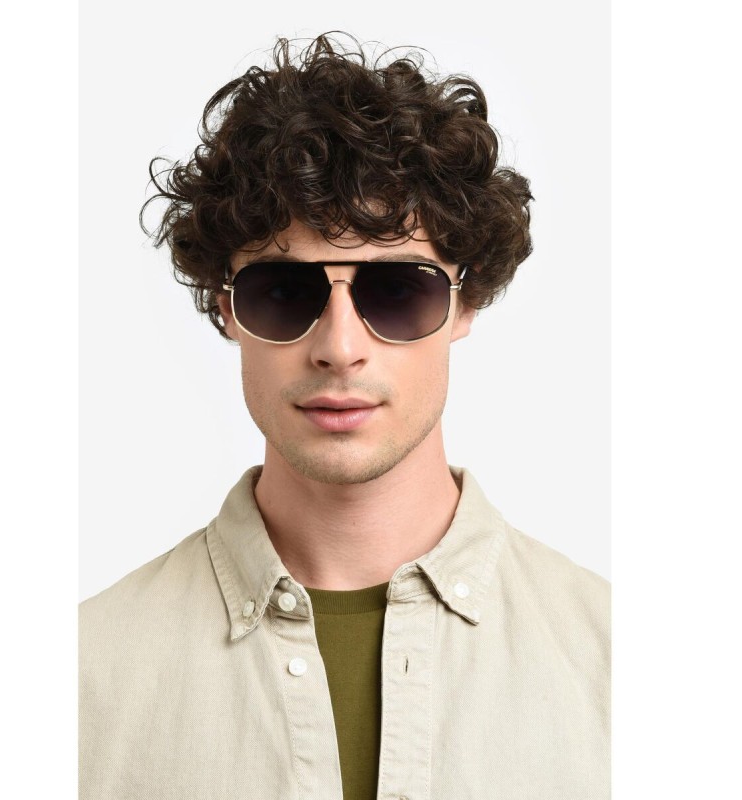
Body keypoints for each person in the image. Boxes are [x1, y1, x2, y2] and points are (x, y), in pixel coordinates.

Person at [79, 33, 609, 800]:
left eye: (397, 290)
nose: (339, 347)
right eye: (281, 292)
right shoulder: (83, 680)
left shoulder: (615, 665)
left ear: (467, 303)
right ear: (227, 310)